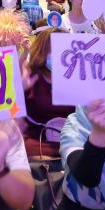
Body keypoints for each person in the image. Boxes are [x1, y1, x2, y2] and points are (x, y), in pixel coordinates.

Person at [23, 28, 74, 157]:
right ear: (43, 51)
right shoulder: (29, 77)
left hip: (73, 143)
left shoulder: (77, 79)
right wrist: (20, 89)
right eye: (55, 49)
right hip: (37, 143)